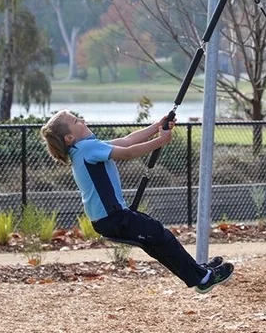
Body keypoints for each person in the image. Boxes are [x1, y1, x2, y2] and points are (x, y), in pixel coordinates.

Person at [40, 110, 234, 293]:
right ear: (69, 138)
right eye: (76, 121)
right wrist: (160, 141)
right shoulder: (87, 148)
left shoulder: (83, 149)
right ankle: (203, 278)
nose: (82, 121)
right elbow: (128, 153)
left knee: (157, 242)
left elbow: (127, 141)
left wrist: (157, 126)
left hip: (108, 220)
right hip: (114, 218)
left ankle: (197, 273)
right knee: (160, 235)